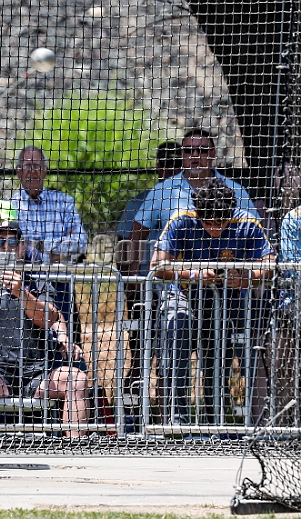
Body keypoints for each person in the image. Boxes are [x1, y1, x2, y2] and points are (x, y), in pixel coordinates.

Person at [150, 178, 274, 424]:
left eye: (222, 223)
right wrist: (194, 274)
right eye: (209, 223)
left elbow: (270, 264)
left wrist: (247, 277)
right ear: (198, 213)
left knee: (220, 358)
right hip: (184, 295)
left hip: (230, 300)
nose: (216, 229)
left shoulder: (247, 222)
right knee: (177, 332)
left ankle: (219, 422)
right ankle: (176, 421)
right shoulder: (181, 220)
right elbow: (158, 266)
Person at [0, 220, 88, 436]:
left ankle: (75, 451)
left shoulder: (35, 277)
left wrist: (21, 292)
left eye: (13, 241)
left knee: (77, 380)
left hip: (38, 373)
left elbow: (50, 317)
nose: (6, 246)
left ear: (23, 247)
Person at [127, 129, 261, 281]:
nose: (195, 155)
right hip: (173, 290)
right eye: (189, 150)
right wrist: (134, 278)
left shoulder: (236, 190)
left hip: (227, 291)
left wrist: (248, 277)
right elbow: (136, 235)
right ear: (182, 155)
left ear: (213, 153)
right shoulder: (162, 191)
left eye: (202, 150)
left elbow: (257, 237)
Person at [115, 142, 182, 395]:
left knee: (171, 361)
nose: (170, 170)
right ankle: (132, 415)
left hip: (181, 286)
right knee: (141, 357)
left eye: (176, 165)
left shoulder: (190, 200)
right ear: (158, 167)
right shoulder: (140, 202)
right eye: (165, 165)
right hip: (144, 290)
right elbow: (122, 248)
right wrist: (130, 285)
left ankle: (167, 419)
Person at [8, 145, 88, 263]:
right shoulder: (9, 206)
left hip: (60, 279)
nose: (32, 171)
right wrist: (58, 255)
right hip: (23, 279)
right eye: (27, 166)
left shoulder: (64, 203)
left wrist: (39, 246)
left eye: (37, 166)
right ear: (18, 171)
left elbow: (81, 242)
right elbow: (10, 249)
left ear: (45, 171)